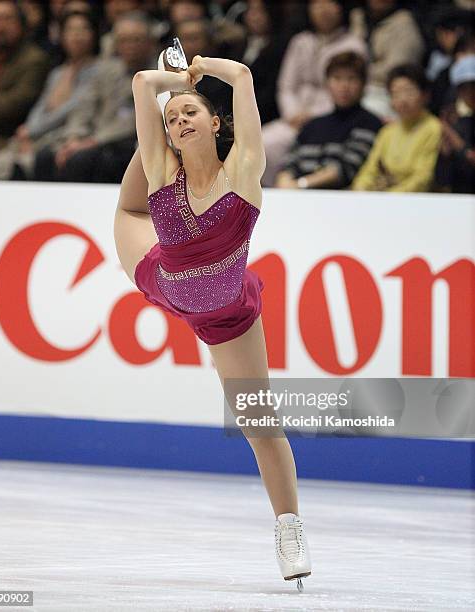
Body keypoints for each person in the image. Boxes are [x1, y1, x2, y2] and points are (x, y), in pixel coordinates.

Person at [113, 50, 312, 587]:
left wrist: (201, 67)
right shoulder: (160, 170)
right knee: (129, 211)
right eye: (173, 118)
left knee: (260, 425)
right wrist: (174, 83)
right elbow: (139, 82)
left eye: (191, 113)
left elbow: (244, 75)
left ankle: (289, 528)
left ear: (216, 122)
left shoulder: (244, 170)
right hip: (162, 280)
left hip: (225, 313)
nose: (180, 120)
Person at [0, 10, 100, 180]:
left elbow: (73, 107)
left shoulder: (101, 70)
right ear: (61, 35)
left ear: (94, 34)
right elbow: (41, 105)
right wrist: (27, 129)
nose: (77, 36)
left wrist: (32, 130)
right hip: (33, 136)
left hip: (60, 137)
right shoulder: (58, 72)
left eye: (83, 29)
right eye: (70, 30)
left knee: (19, 167)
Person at [33, 11, 157, 182]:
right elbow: (85, 106)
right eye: (124, 40)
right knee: (45, 156)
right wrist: (74, 137)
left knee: (84, 160)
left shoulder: (157, 74)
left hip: (125, 142)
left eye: (136, 39)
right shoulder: (106, 71)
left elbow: (130, 121)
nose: (130, 45)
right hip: (92, 138)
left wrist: (92, 142)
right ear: (116, 44)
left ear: (150, 43)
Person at [260, 0, 367, 187]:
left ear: (341, 8)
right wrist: (292, 114)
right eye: (318, 4)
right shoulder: (300, 41)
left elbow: (343, 87)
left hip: (329, 116)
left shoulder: (352, 44)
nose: (323, 10)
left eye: (330, 4)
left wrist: (313, 116)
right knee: (258, 144)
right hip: (293, 118)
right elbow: (286, 86)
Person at [275, 51, 382, 190]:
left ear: (363, 85)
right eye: (337, 78)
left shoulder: (369, 123)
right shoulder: (313, 124)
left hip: (341, 200)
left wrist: (301, 184)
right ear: (327, 83)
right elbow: (289, 163)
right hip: (297, 197)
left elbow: (346, 168)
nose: (344, 86)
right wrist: (285, 182)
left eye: (351, 79)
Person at [0, 0, 50, 165]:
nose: (0, 27)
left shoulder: (34, 59)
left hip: (11, 140)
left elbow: (15, 105)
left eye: (7, 19)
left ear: (20, 24)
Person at [352, 64, 442, 192]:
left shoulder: (434, 128)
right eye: (396, 93)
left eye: (409, 91)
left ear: (425, 95)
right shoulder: (387, 131)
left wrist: (389, 197)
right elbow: (370, 170)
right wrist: (360, 189)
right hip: (382, 199)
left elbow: (423, 178)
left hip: (417, 202)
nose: (403, 99)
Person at [349, 0, 425, 119]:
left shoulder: (405, 23)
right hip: (358, 85)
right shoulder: (358, 17)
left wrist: (358, 72)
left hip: (385, 91)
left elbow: (396, 69)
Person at [435, 54, 475, 194]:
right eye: (464, 87)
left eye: (473, 86)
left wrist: (452, 136)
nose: (470, 93)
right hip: (458, 194)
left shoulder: (451, 126)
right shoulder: (457, 120)